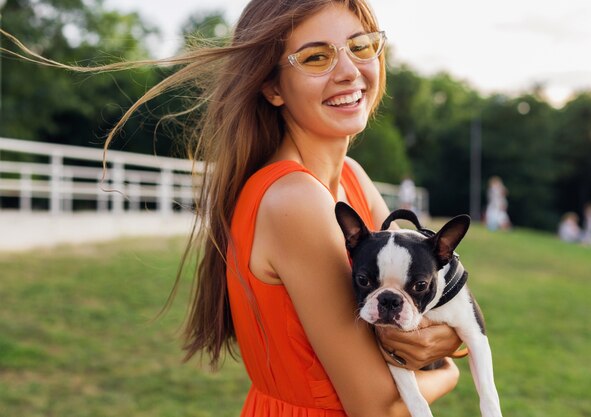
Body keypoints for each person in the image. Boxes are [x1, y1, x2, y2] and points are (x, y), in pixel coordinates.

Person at [3, 1, 462, 415]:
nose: (348, 70)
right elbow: (380, 407)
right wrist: (456, 365)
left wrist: (452, 338)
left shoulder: (353, 180)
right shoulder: (296, 202)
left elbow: (448, 298)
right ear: (273, 88)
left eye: (360, 47)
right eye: (317, 57)